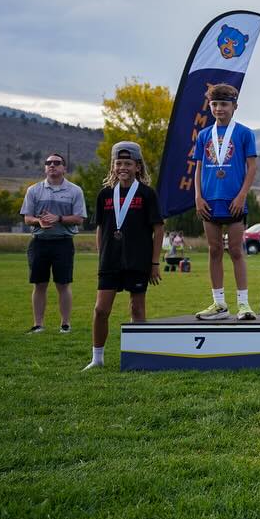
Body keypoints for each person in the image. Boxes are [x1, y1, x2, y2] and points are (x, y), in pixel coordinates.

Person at [86, 142, 163, 370]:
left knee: (137, 308)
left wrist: (155, 263)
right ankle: (97, 359)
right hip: (110, 260)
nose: (123, 168)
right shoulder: (105, 195)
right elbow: (100, 227)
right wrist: (101, 255)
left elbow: (159, 229)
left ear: (138, 167)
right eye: (118, 163)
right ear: (113, 166)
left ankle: (138, 357)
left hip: (137, 260)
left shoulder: (147, 194)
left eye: (128, 163)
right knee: (101, 310)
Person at [192, 83, 259, 320]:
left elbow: (252, 167)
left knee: (236, 250)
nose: (219, 108)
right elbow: (198, 168)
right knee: (214, 250)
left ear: (234, 106)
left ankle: (244, 305)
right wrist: (198, 196)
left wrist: (242, 196)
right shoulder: (203, 135)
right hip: (209, 200)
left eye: (224, 104)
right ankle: (219, 304)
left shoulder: (244, 133)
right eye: (215, 104)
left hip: (234, 200)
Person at [20, 152, 86, 333]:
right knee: (39, 284)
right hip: (39, 242)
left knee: (63, 284)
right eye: (48, 163)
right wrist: (38, 221)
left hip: (63, 243)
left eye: (57, 163)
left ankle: (65, 324)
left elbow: (79, 219)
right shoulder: (34, 190)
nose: (52, 165)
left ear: (64, 168)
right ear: (45, 167)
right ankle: (38, 324)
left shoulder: (75, 191)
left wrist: (58, 218)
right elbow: (27, 218)